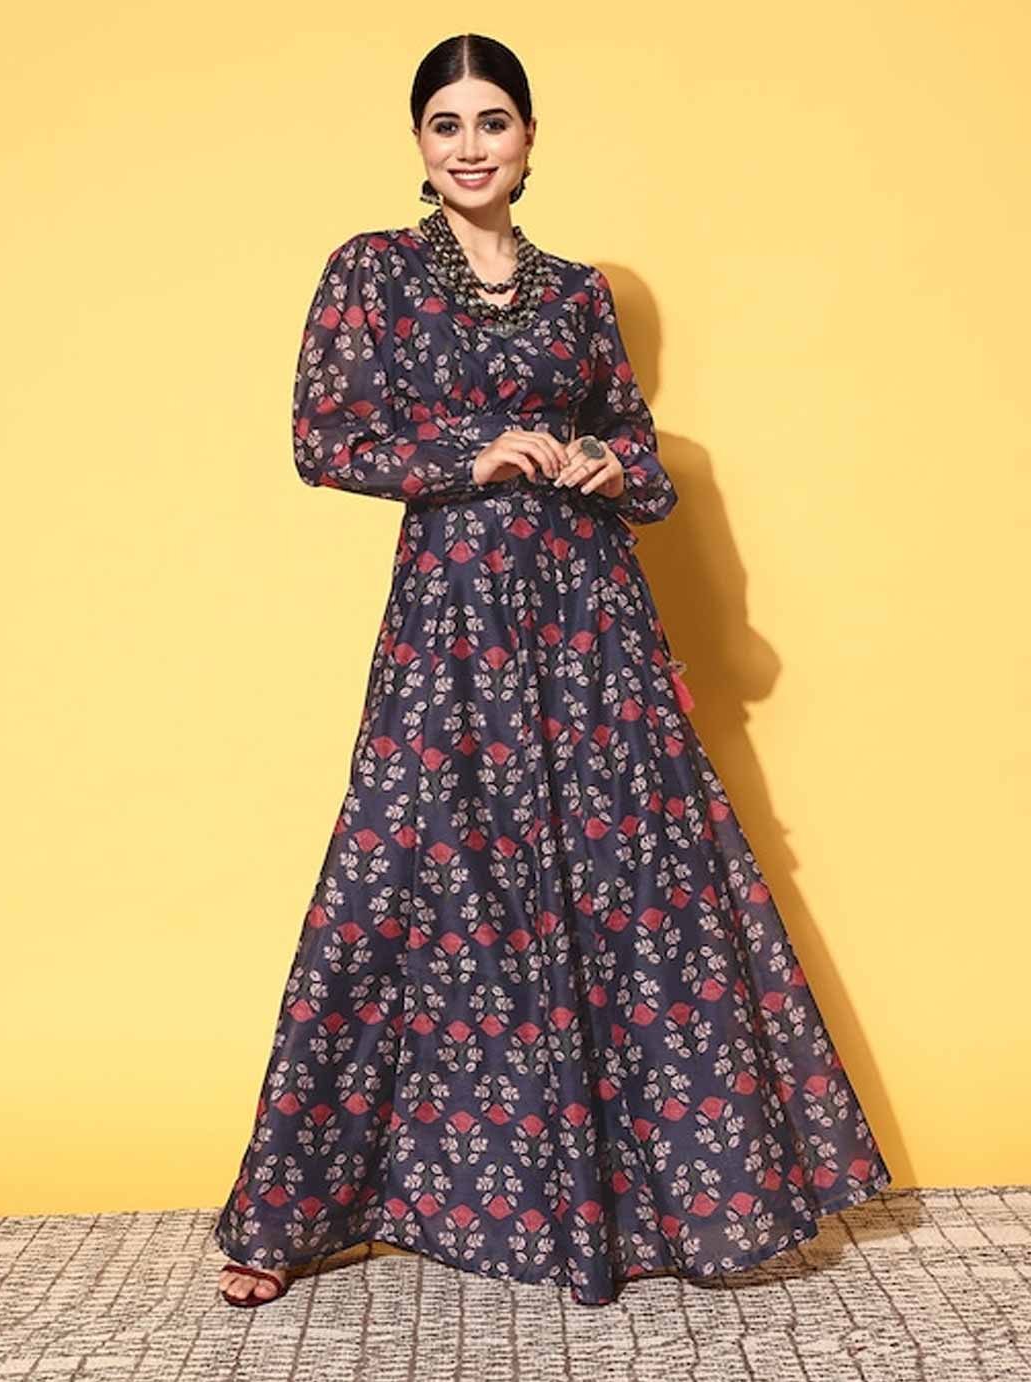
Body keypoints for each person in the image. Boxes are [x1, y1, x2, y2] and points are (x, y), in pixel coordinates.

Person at [215, 32, 891, 1309]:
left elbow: (634, 443)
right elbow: (322, 434)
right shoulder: (372, 269)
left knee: (623, 882)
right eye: (446, 123)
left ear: (529, 139)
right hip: (452, 618)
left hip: (589, 618)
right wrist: (469, 455)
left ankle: (655, 1204)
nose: (470, 145)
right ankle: (289, 1212)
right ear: (418, 143)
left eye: (493, 121)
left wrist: (606, 466)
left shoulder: (577, 293)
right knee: (393, 872)